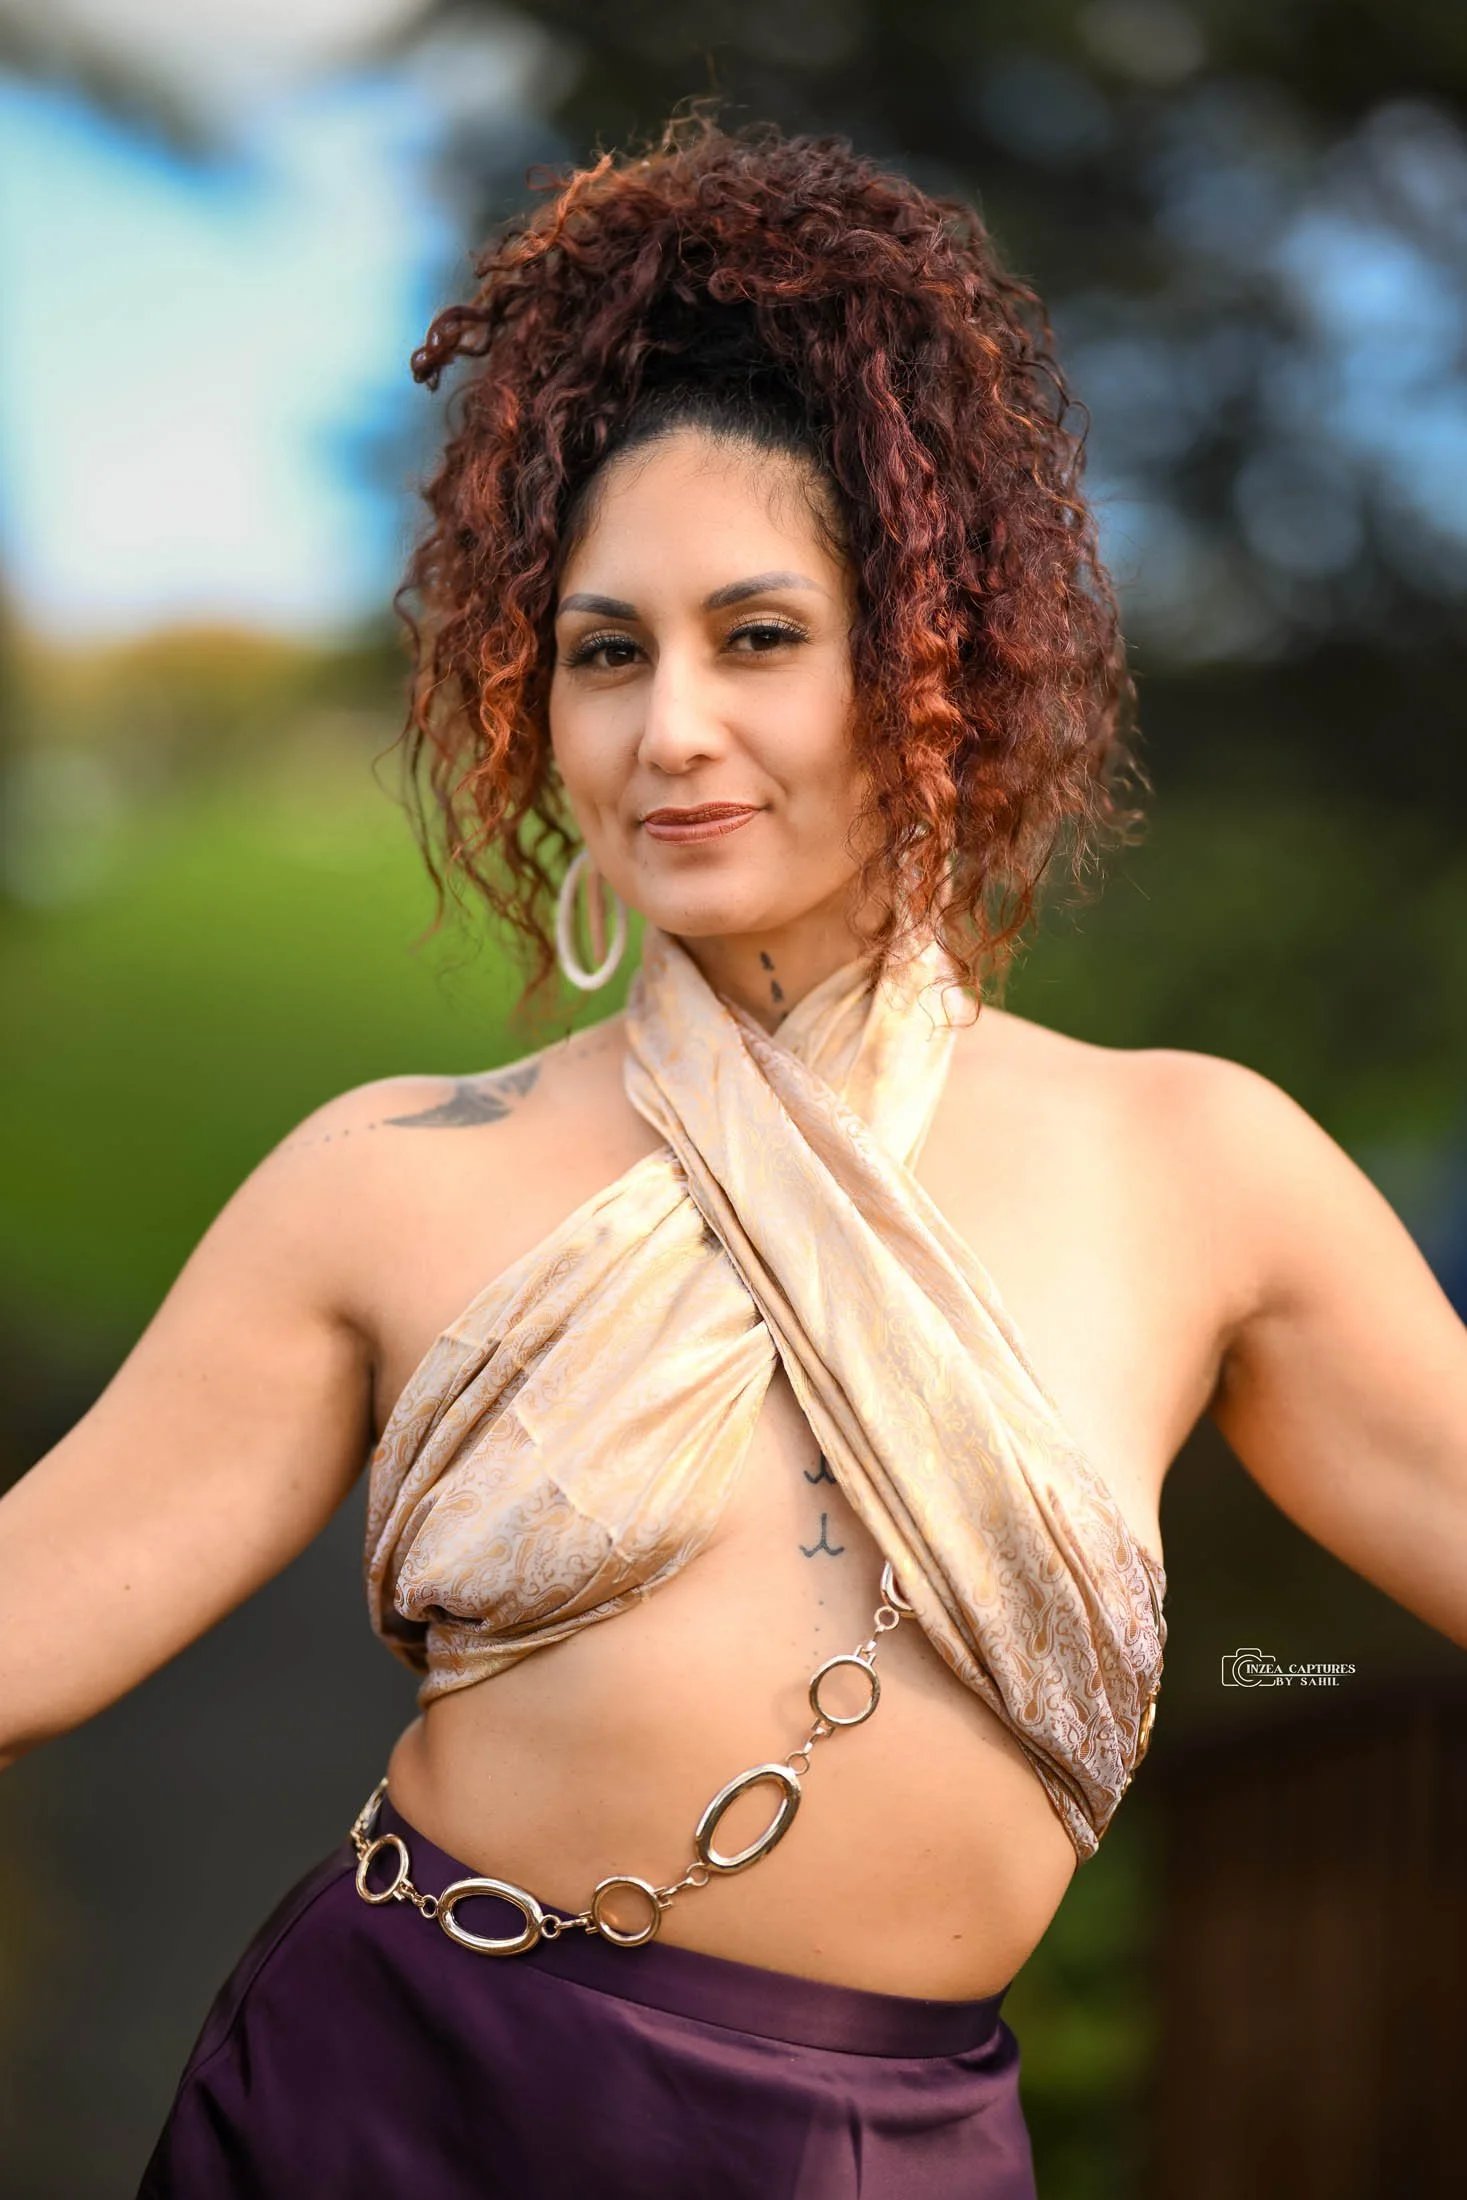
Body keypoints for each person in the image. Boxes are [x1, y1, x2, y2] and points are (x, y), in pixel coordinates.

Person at [3, 108, 1465, 2200]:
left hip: (877, 2143)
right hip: (373, 2098)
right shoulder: (380, 1179)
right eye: (609, 650)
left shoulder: (1197, 1169)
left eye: (757, 636)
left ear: (929, 663)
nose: (669, 725)